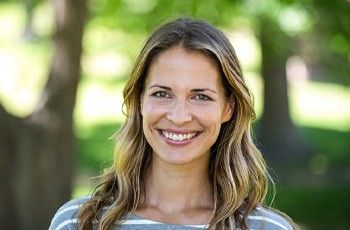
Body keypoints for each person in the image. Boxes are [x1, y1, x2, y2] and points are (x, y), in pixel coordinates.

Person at [49, 18, 297, 230]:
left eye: (201, 97)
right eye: (162, 94)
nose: (179, 117)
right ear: (140, 100)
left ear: (228, 108)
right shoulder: (78, 222)